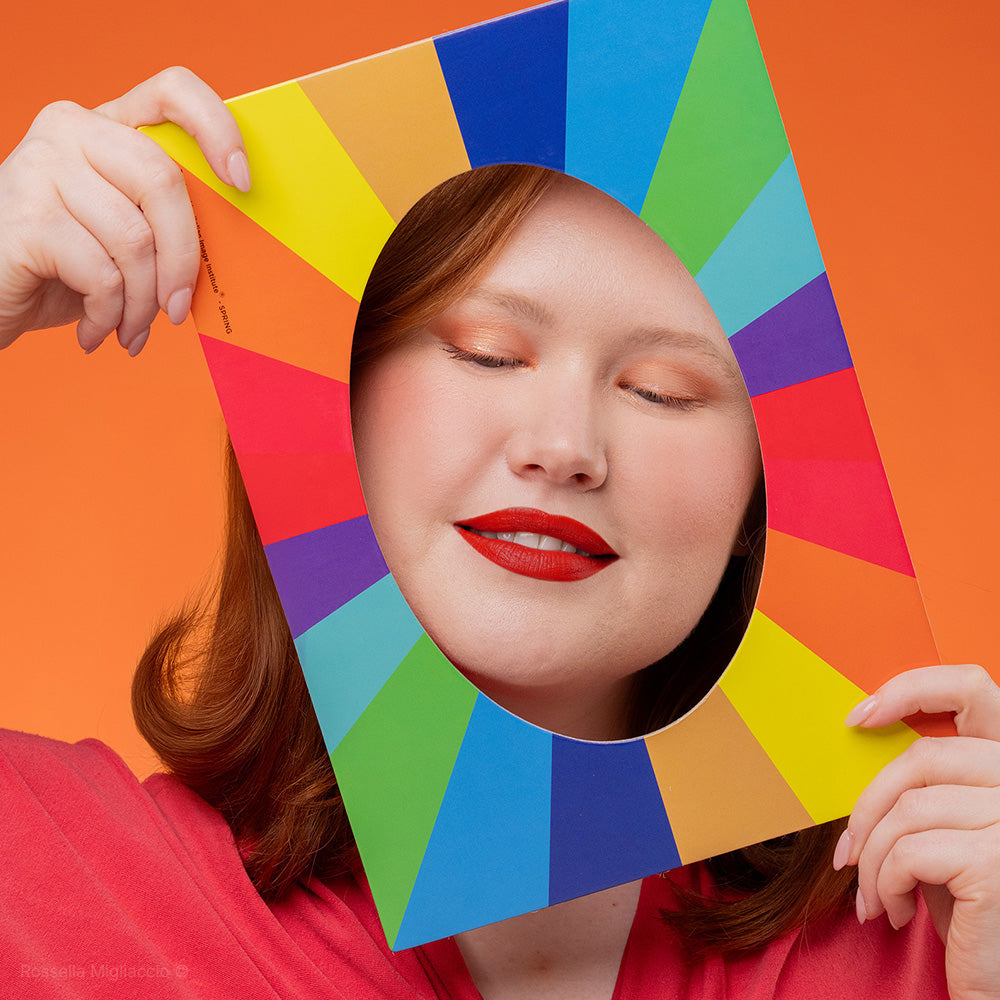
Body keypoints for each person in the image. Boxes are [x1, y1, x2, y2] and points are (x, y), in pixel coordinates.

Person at [1, 67, 999, 1000]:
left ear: (758, 504)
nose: (563, 447)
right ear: (329, 407)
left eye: (661, 389)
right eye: (485, 353)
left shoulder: (933, 926)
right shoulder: (60, 868)